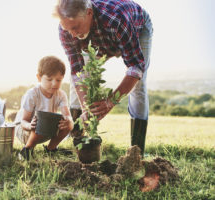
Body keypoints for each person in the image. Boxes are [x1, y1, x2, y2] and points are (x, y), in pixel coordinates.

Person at [54, 0, 153, 156]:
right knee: (79, 80)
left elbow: (135, 67)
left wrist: (110, 102)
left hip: (136, 29)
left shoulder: (116, 18)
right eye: (68, 29)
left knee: (138, 86)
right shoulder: (66, 30)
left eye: (75, 27)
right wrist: (87, 107)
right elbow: (77, 70)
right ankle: (75, 138)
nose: (72, 34)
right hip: (98, 38)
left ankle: (137, 151)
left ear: (89, 13)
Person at [14, 56, 74, 160]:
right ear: (39, 78)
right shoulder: (32, 94)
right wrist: (29, 126)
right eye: (49, 79)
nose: (54, 84)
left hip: (45, 130)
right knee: (42, 121)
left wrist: (68, 120)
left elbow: (67, 115)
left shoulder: (61, 95)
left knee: (70, 124)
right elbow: (23, 121)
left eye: (58, 80)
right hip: (25, 131)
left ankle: (51, 149)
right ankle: (26, 150)